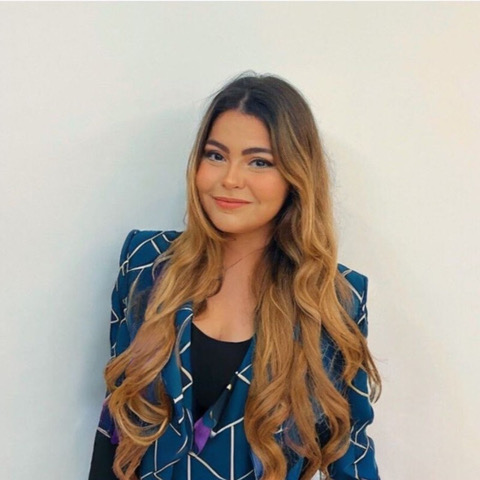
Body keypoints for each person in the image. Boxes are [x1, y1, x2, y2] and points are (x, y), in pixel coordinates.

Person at [88, 72, 382, 480]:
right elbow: (116, 427)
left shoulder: (333, 301)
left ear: (295, 176)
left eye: (259, 161)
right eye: (216, 155)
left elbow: (350, 456)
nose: (230, 179)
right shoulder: (146, 263)